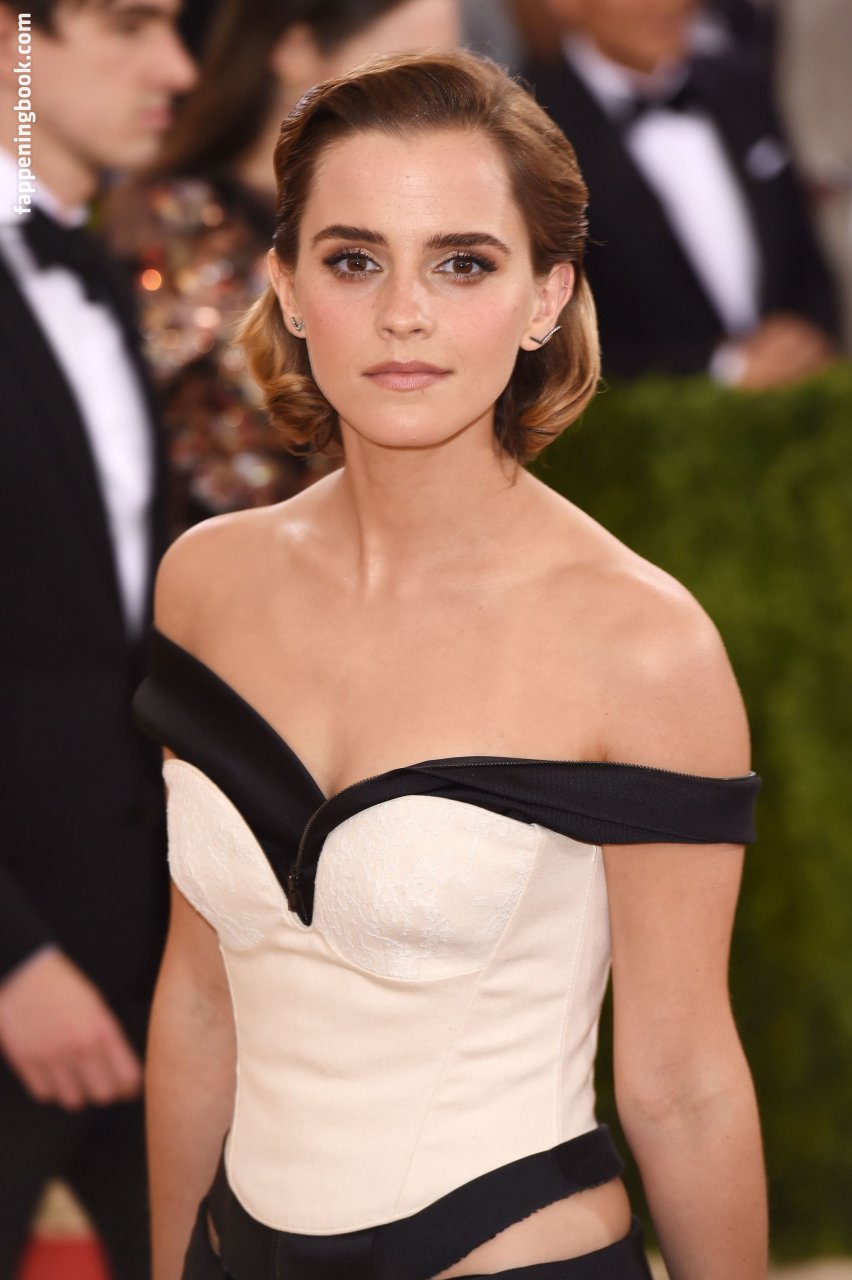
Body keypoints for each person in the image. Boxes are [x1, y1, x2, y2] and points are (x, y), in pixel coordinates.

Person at [134, 50, 767, 1280]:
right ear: (287, 284)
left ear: (545, 297)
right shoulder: (205, 583)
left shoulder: (642, 644)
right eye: (354, 259)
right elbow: (200, 997)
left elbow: (682, 1077)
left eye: (462, 262)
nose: (404, 314)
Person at [0, 1, 195, 1275]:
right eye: (130, 23)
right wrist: (10, 958)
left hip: (148, 949)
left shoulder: (97, 267)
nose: (175, 67)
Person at [106, 0, 461, 536]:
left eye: (451, 72)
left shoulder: (440, 234)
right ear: (297, 51)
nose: (444, 102)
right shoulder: (170, 231)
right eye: (410, 68)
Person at [523, 0, 840, 385]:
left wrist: (807, 334)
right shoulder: (525, 129)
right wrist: (722, 369)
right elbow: (541, 330)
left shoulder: (742, 83)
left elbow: (803, 250)